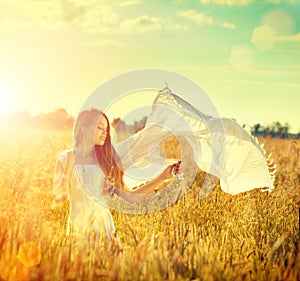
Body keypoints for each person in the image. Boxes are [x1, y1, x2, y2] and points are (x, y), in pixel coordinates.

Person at [53, 109, 181, 243]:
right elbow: (58, 198)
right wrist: (69, 166)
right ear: (84, 130)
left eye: (106, 129)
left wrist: (163, 176)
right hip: (77, 229)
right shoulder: (64, 158)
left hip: (103, 229)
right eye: (99, 128)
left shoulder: (106, 162)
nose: (105, 133)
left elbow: (130, 197)